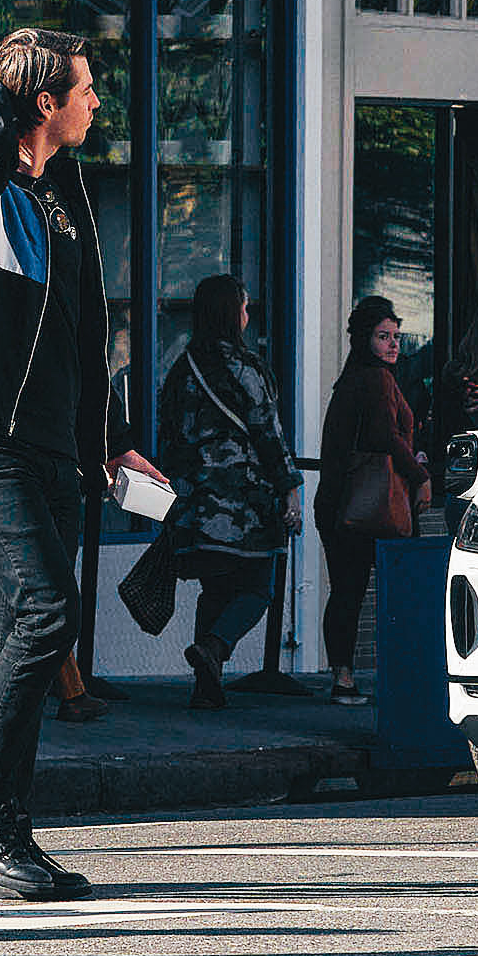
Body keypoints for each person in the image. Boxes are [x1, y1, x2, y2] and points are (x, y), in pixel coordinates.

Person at [0, 32, 170, 900]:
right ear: (43, 103)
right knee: (47, 610)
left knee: (10, 629)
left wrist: (110, 440)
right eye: (85, 90)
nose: (98, 103)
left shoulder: (63, 194)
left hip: (51, 447)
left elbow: (86, 335)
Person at [122, 275, 295, 708]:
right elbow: (268, 433)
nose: (247, 315)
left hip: (194, 505)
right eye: (244, 307)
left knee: (214, 589)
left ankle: (206, 686)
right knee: (258, 587)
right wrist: (290, 488)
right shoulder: (246, 367)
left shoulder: (182, 368)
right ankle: (214, 647)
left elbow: (168, 437)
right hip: (245, 504)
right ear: (231, 313)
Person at [316, 296, 427, 707]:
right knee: (398, 590)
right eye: (383, 336)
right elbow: (384, 436)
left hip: (338, 501)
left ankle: (342, 676)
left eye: (396, 336)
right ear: (364, 339)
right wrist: (420, 476)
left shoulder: (352, 379)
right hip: (370, 504)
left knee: (346, 591)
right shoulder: (376, 378)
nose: (393, 344)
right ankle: (398, 678)